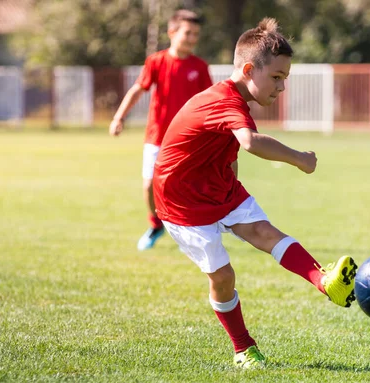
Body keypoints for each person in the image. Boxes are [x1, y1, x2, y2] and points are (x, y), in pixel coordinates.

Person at [152, 18, 358, 369]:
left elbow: (228, 153)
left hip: (218, 185)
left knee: (265, 232)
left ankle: (325, 282)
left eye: (284, 79)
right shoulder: (222, 100)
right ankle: (243, 348)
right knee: (223, 276)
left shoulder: (235, 104)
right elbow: (249, 142)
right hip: (181, 202)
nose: (281, 87)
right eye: (276, 78)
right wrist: (300, 159)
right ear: (248, 69)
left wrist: (232, 198)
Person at [109, 9, 213, 251]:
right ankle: (156, 224)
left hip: (189, 140)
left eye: (196, 34)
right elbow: (137, 89)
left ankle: (188, 229)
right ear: (172, 32)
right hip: (157, 137)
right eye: (188, 33)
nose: (192, 38)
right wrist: (119, 117)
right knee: (149, 186)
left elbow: (208, 102)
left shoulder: (200, 67)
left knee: (188, 187)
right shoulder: (156, 61)